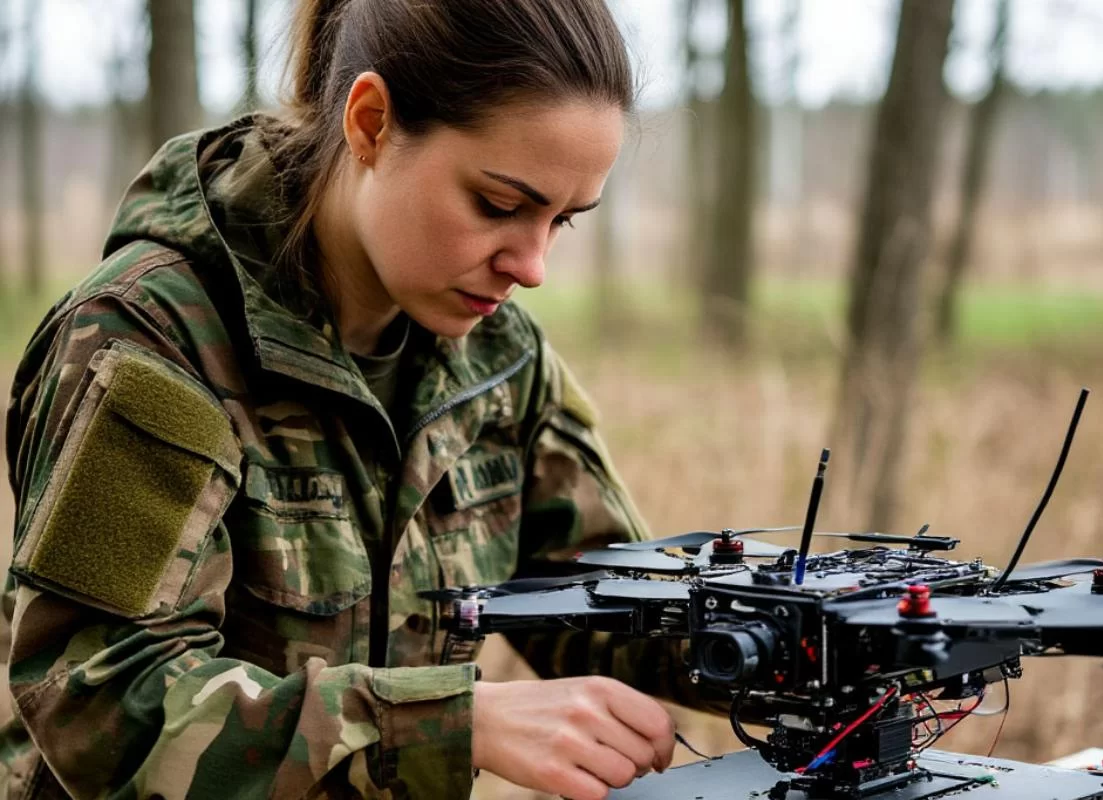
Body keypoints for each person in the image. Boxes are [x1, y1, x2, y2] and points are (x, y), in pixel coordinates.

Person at [0, 1, 718, 797]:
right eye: (499, 205)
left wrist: (794, 638)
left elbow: (608, 605)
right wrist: (451, 725)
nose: (532, 265)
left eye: (564, 221)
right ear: (371, 123)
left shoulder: (498, 360)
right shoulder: (152, 340)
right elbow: (103, 699)